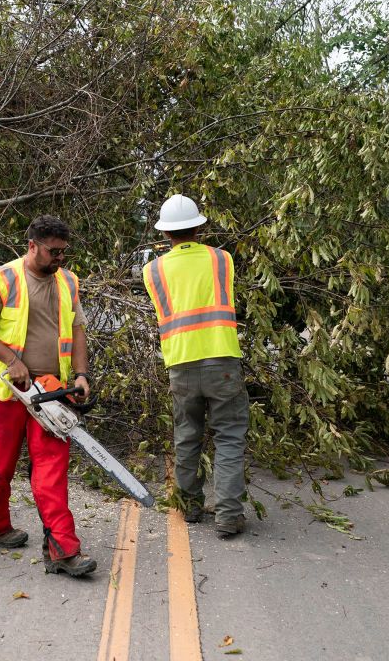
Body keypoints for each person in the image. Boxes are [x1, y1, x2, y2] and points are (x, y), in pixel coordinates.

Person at [0, 215, 96, 577]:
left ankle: (62, 550)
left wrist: (81, 374)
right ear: (32, 245)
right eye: (53, 252)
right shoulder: (3, 279)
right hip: (6, 390)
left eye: (64, 252)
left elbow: (77, 329)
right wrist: (12, 360)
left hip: (51, 391)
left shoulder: (68, 281)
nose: (59, 259)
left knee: (51, 468)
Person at [142, 194, 251, 538]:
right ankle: (228, 516)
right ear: (200, 226)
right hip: (222, 361)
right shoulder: (222, 260)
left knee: (187, 436)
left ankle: (189, 506)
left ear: (165, 233)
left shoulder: (153, 270)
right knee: (229, 437)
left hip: (181, 364)